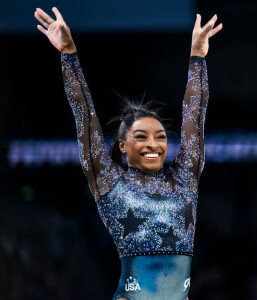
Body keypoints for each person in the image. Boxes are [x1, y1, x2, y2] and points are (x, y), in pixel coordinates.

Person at [34, 7, 222, 300]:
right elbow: (84, 115)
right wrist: (68, 54)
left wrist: (198, 58)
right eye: (141, 137)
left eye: (160, 137)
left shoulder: (185, 177)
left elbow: (194, 118)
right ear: (123, 145)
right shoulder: (109, 180)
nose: (153, 144)